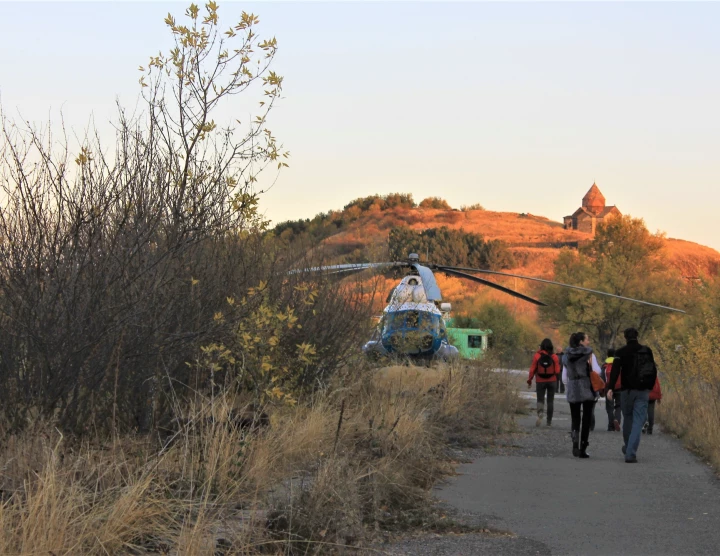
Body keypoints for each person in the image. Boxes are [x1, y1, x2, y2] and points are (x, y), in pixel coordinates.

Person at [605, 327, 657, 463]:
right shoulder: (647, 351)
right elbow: (653, 370)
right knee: (638, 421)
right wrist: (649, 387)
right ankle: (630, 452)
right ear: (637, 336)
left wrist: (610, 388)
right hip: (643, 391)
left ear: (625, 337)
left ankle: (628, 448)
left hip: (626, 391)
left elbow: (615, 372)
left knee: (627, 418)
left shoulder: (620, 352)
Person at [564, 331, 596, 458]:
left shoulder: (566, 355)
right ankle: (583, 447)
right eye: (586, 339)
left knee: (575, 418)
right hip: (585, 386)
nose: (588, 342)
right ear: (581, 342)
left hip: (573, 386)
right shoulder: (587, 354)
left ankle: (575, 443)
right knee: (587, 418)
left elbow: (566, 367)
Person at [527, 338, 561, 427]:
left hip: (540, 380)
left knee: (540, 399)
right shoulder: (554, 356)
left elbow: (532, 369)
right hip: (552, 381)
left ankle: (540, 413)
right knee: (550, 401)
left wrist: (529, 380)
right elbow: (557, 370)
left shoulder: (537, 356)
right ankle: (549, 422)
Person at [602, 349, 621, 432]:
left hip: (608, 388)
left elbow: (602, 378)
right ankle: (617, 420)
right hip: (619, 387)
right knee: (619, 406)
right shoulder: (619, 364)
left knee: (610, 408)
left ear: (607, 355)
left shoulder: (605, 365)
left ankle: (611, 426)